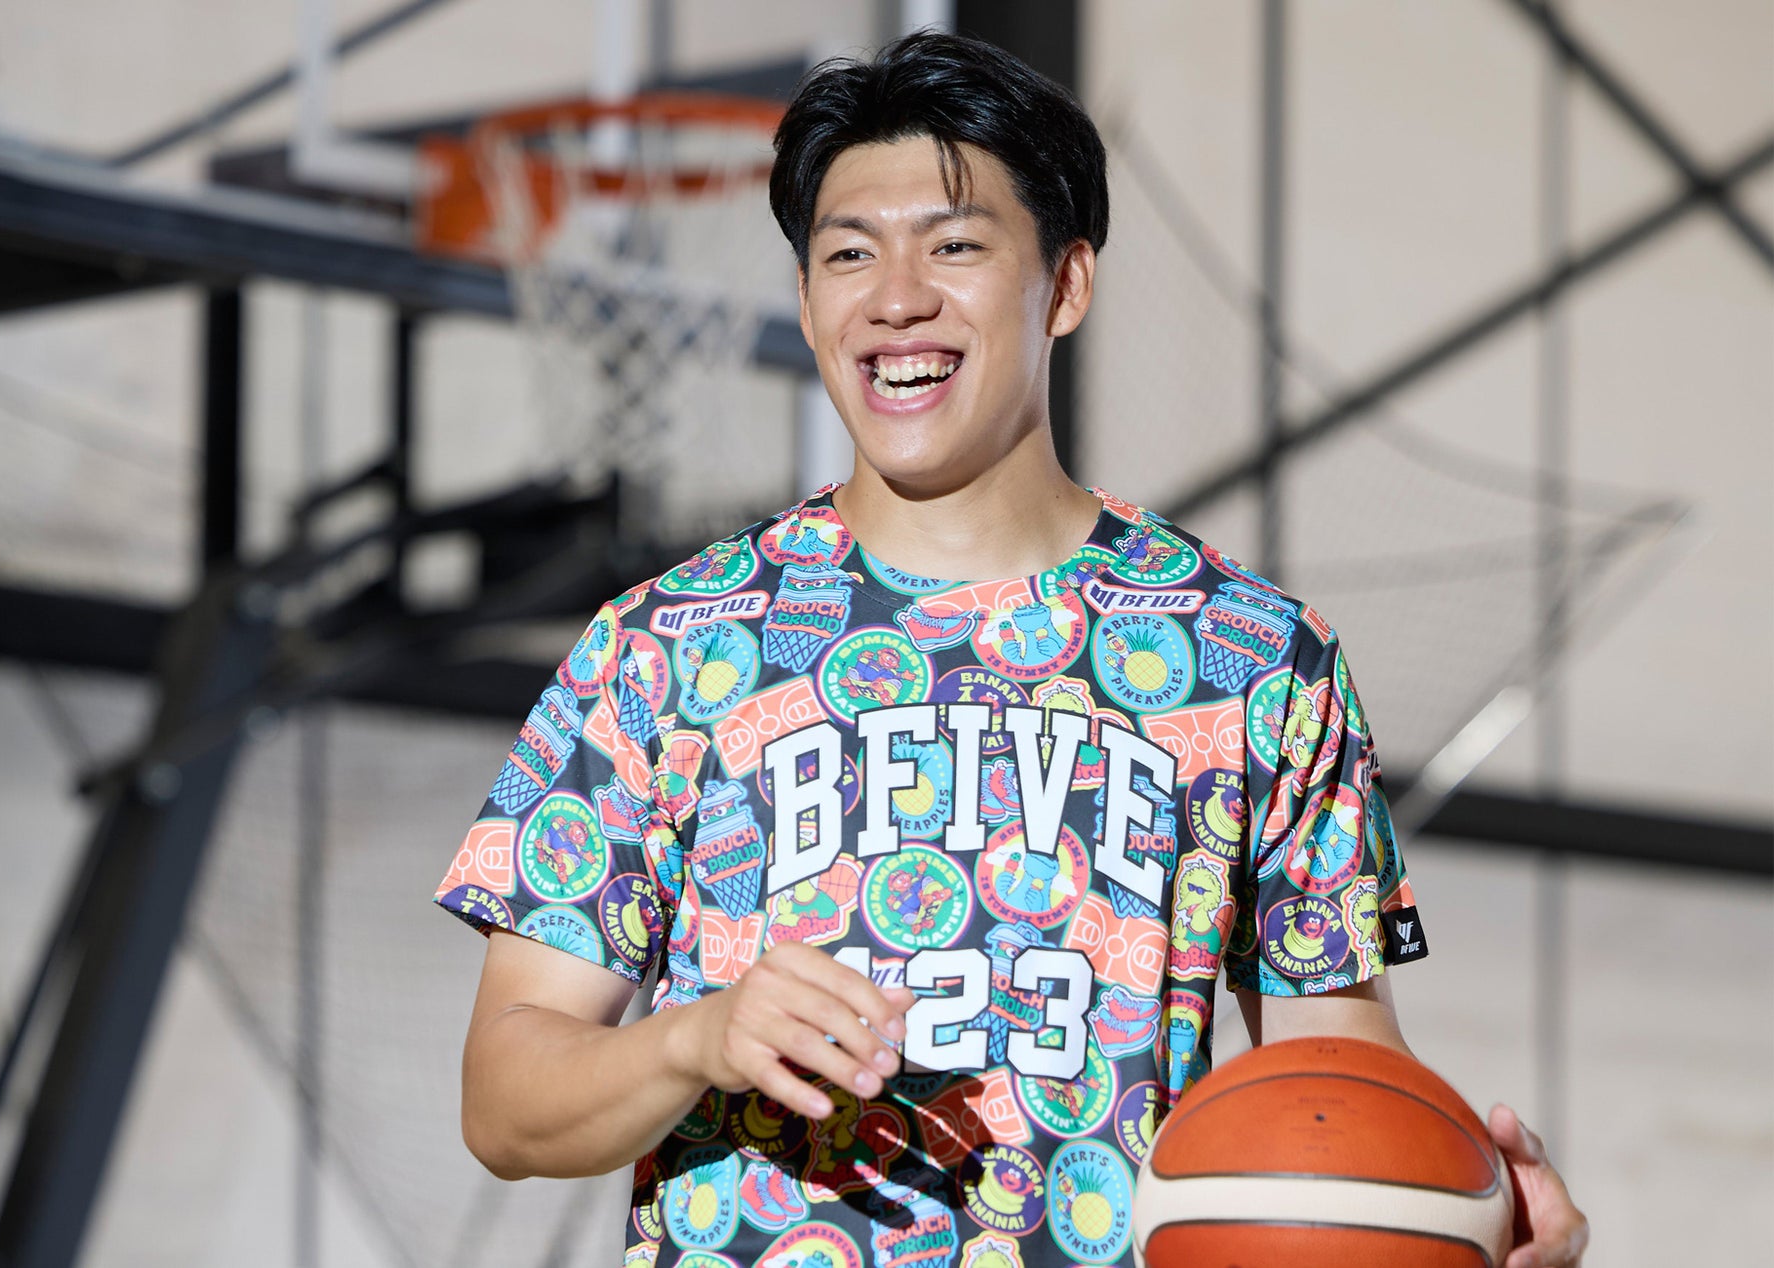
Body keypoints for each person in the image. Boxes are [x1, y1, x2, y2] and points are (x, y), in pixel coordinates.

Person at [435, 31, 1589, 1268]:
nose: (895, 298)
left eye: (954, 246)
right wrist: (693, 1038)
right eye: (848, 253)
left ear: (1067, 283)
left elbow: (1339, 1081)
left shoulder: (1256, 656)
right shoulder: (663, 647)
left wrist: (1467, 1216)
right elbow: (505, 1099)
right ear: (810, 300)